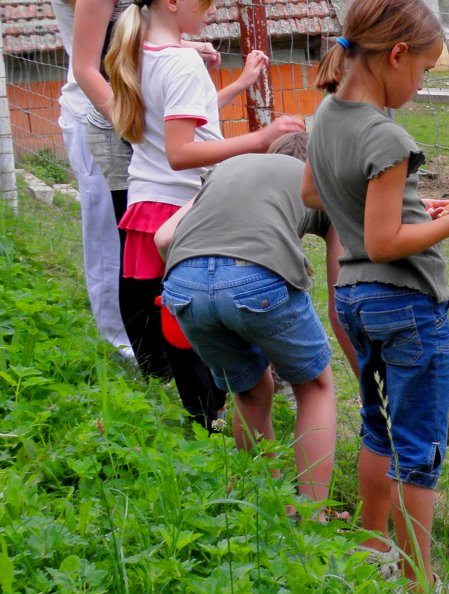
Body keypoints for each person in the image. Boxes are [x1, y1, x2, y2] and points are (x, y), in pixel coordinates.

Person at [304, 0, 449, 589]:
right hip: (407, 307)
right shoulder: (387, 135)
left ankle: (372, 546)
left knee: (378, 424)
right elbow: (383, 238)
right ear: (396, 56)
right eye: (422, 71)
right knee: (420, 446)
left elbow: (314, 192)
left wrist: (411, 208)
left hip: (354, 299)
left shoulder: (325, 114)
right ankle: (421, 579)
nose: (419, 87)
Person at [103, 0, 305, 429]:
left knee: (178, 323)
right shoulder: (181, 62)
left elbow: (181, 118)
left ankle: (203, 419)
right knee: (199, 328)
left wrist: (236, 84)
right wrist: (260, 139)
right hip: (183, 204)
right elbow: (181, 152)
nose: (213, 9)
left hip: (148, 202)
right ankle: (215, 417)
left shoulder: (140, 50)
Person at [153, 132, 349, 512]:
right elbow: (339, 304)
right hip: (256, 278)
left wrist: (206, 284)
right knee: (316, 388)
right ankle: (311, 519)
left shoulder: (229, 168)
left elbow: (164, 238)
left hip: (183, 282)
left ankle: (266, 506)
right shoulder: (323, 183)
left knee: (250, 389)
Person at [61, 0, 216, 362]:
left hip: (141, 113)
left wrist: (184, 47)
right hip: (110, 118)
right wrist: (130, 122)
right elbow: (86, 67)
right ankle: (144, 359)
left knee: (152, 249)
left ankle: (167, 355)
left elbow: (133, 33)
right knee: (125, 247)